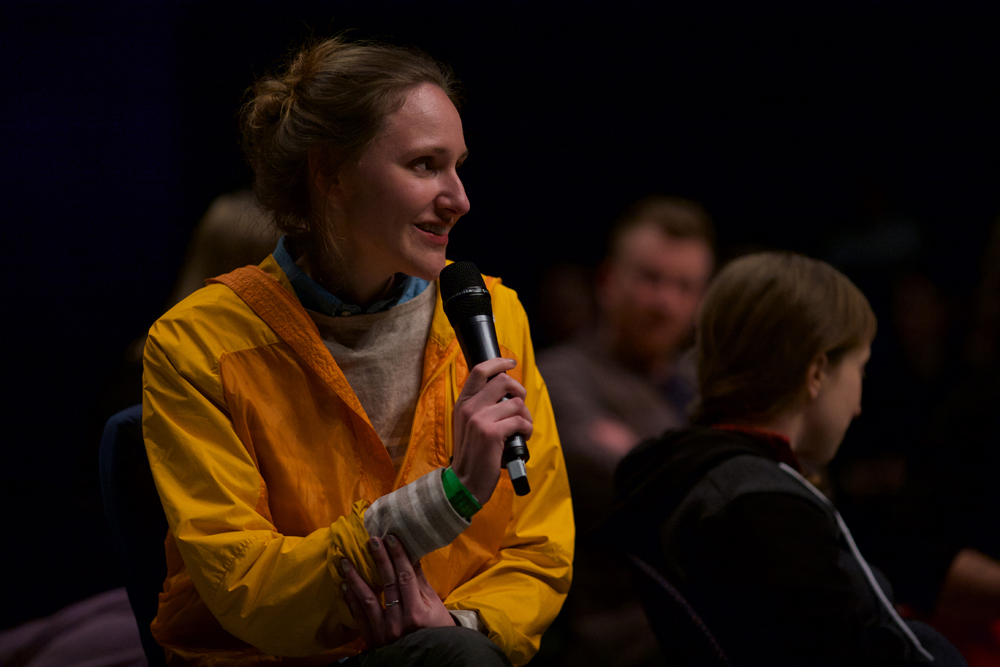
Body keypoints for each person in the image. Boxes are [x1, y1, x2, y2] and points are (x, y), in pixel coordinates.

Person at [141, 37, 573, 666]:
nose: (459, 197)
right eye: (425, 165)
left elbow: (539, 547)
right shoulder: (197, 343)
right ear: (330, 174)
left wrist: (458, 622)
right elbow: (249, 586)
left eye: (458, 165)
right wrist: (449, 496)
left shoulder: (492, 315)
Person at [611, 252, 965, 665]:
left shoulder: (686, 476)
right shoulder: (767, 507)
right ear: (816, 373)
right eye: (860, 369)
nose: (858, 406)